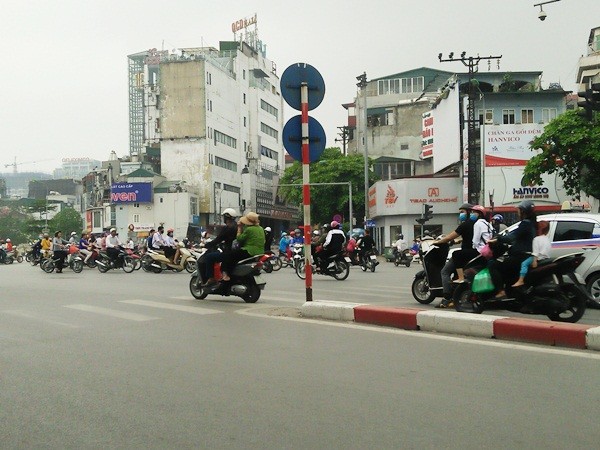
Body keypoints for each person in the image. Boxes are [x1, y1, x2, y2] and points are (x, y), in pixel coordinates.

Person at [487, 200, 537, 299]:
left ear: (523, 211)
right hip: (526, 255)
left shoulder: (525, 224)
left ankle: (501, 291)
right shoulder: (532, 223)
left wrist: (498, 239)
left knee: (493, 264)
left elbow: (511, 237)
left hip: (520, 256)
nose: (517, 212)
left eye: (519, 210)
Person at [430, 203, 475, 308]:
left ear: (468, 212)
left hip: (465, 255)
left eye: (462, 212)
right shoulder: (476, 223)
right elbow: (470, 237)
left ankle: (446, 298)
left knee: (444, 272)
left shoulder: (464, 225)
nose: (461, 215)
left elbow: (449, 237)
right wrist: (458, 240)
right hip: (475, 253)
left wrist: (438, 242)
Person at [451, 205, 492, 283]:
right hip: (488, 250)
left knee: (456, 254)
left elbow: (475, 241)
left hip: (480, 251)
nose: (472, 214)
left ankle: (461, 278)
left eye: (474, 212)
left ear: (479, 214)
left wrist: (474, 247)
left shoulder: (477, 224)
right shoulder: (488, 224)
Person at [220, 211, 265, 282]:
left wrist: (239, 228)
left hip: (249, 251)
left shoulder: (249, 229)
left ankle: (226, 273)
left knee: (229, 256)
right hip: (260, 252)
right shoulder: (260, 228)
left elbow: (239, 239)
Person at [201, 208, 239, 285]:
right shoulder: (238, 227)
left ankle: (211, 278)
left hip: (228, 253)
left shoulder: (227, 228)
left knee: (209, 257)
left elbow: (217, 240)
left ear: (226, 217)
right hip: (237, 252)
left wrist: (206, 245)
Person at [512, 220, 551, 288]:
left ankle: (521, 280)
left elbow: (535, 252)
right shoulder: (547, 239)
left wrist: (534, 261)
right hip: (546, 257)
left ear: (539, 229)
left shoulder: (536, 239)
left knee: (524, 264)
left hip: (538, 257)